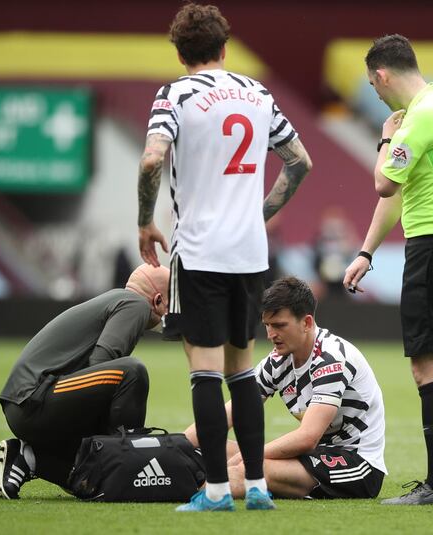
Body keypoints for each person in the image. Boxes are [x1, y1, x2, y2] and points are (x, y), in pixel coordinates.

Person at [136, 3, 312, 512]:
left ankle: (215, 491)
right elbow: (299, 161)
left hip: (201, 250)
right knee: (243, 372)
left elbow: (152, 158)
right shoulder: (258, 93)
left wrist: (145, 221)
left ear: (178, 51)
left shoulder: (176, 94)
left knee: (206, 373)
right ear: (225, 47)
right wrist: (260, 213)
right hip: (250, 252)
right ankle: (256, 487)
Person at [343, 34, 433, 505]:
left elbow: (385, 182)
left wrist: (387, 134)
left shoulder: (420, 118)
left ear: (383, 75)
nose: (378, 95)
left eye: (374, 86)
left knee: (427, 368)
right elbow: (402, 193)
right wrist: (366, 252)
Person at [185, 277, 387, 499]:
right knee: (205, 448)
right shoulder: (277, 361)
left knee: (251, 470)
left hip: (356, 463)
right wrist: (178, 446)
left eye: (280, 325)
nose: (271, 335)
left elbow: (308, 437)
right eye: (268, 326)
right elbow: (231, 412)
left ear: (307, 323)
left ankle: (184, 492)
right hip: (312, 456)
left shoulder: (331, 359)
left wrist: (247, 458)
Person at [0, 264, 169, 500]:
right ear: (158, 300)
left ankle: (29, 458)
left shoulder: (117, 300)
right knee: (131, 371)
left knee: (90, 482)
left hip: (28, 403)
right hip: (35, 399)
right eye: (174, 302)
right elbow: (101, 363)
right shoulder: (135, 303)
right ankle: (125, 467)